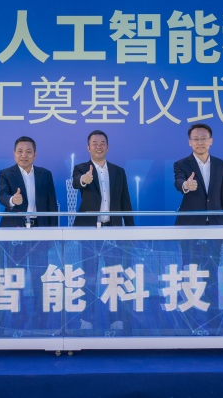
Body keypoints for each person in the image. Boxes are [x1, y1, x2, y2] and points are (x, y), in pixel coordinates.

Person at [72, 130, 134, 332]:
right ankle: (86, 319)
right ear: (88, 147)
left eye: (102, 143)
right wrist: (84, 180)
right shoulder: (81, 168)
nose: (98, 146)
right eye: (94, 143)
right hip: (89, 231)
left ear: (107, 146)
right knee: (88, 276)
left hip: (113, 231)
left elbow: (125, 202)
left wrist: (131, 230)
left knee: (114, 277)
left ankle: (116, 318)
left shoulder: (118, 171)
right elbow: (76, 182)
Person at [0, 136, 58, 333]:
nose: (24, 155)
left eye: (28, 151)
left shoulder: (45, 174)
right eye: (20, 151)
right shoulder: (6, 173)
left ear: (35, 154)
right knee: (17, 278)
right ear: (14, 153)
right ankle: (19, 318)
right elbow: (2, 195)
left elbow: (51, 205)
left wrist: (52, 234)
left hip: (39, 232)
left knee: (40, 279)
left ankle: (41, 319)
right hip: (15, 233)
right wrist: (12, 200)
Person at [173, 123, 223, 329]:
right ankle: (190, 319)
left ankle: (213, 320)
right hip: (189, 228)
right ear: (190, 142)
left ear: (211, 141)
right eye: (195, 139)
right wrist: (186, 186)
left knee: (213, 274)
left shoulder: (221, 165)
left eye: (203, 138)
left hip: (214, 228)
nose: (200, 142)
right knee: (190, 273)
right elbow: (178, 182)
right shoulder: (181, 164)